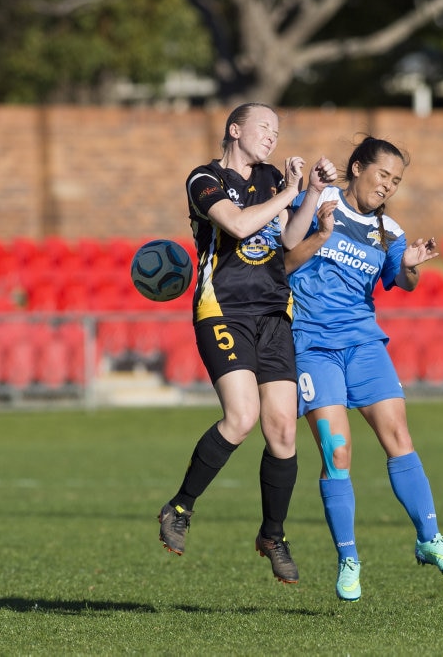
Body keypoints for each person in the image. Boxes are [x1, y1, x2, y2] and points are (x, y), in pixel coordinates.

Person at [157, 102, 336, 584]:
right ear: (235, 130)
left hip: (275, 313)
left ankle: (272, 534)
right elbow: (236, 224)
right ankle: (179, 506)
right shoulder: (203, 178)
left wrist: (310, 195)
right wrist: (292, 192)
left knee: (281, 429)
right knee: (241, 418)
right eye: (264, 128)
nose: (273, 137)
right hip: (224, 310)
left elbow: (285, 240)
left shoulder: (273, 180)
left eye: (278, 130)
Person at [284, 136, 443, 602]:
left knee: (399, 439)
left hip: (365, 345)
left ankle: (429, 539)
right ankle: (349, 559)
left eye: (396, 181)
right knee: (337, 453)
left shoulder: (390, 231)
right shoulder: (319, 201)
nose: (388, 186)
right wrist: (320, 233)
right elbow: (281, 262)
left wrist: (410, 265)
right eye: (383, 175)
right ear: (358, 168)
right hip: (312, 345)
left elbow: (401, 279)